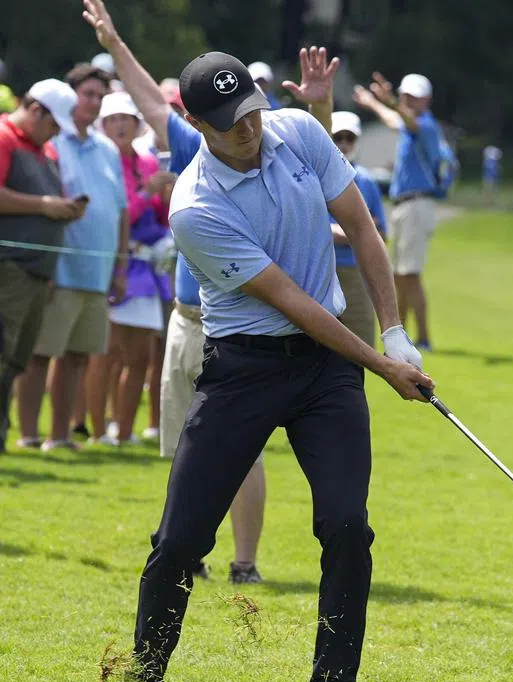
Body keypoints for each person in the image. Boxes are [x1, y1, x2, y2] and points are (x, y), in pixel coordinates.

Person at [97, 50, 432, 682]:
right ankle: (144, 677)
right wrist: (380, 365)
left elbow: (363, 227)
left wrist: (395, 332)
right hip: (243, 369)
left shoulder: (299, 131)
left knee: (345, 524)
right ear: (199, 124)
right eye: (229, 124)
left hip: (324, 373)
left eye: (250, 111)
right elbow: (290, 301)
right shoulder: (195, 206)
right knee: (183, 536)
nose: (247, 130)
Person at [83, 0, 338, 583]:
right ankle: (190, 553)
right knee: (187, 451)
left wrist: (320, 105)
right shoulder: (192, 145)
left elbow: (318, 170)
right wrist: (115, 43)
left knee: (239, 452)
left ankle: (242, 560)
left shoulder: (279, 144)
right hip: (187, 318)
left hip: (242, 329)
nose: (242, 125)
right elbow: (150, 97)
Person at [16, 63, 128, 452]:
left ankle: (60, 435)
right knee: (41, 354)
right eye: (88, 94)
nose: (95, 103)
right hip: (59, 269)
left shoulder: (108, 149)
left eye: (100, 96)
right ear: (70, 95)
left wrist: (121, 265)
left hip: (96, 272)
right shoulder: (52, 142)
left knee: (79, 357)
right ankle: (30, 435)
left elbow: (121, 210)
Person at [0, 80, 84, 454]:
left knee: (15, 359)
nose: (55, 132)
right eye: (53, 123)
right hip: (10, 268)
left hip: (36, 272)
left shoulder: (44, 148)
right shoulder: (4, 137)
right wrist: (43, 205)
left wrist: (61, 209)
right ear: (36, 110)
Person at [87, 91, 175, 446]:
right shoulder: (103, 161)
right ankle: (98, 431)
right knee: (108, 354)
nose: (121, 125)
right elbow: (121, 215)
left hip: (147, 267)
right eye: (114, 118)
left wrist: (164, 198)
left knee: (141, 355)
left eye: (128, 118)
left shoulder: (148, 162)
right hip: (115, 263)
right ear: (104, 124)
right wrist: (145, 194)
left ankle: (124, 432)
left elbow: (159, 217)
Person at [353, 71, 442, 351]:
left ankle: (424, 338)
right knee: (400, 274)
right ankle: (402, 333)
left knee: (410, 273)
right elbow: (395, 119)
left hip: (418, 204)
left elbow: (405, 119)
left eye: (413, 97)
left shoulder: (426, 125)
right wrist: (372, 103)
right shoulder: (408, 125)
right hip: (405, 205)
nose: (408, 101)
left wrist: (390, 101)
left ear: (426, 100)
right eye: (405, 96)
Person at [330, 110, 387, 346]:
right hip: (324, 270)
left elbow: (381, 233)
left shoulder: (366, 181)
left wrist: (344, 232)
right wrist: (355, 230)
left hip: (357, 271)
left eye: (349, 138)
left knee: (362, 342)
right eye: (338, 137)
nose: (343, 144)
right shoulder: (313, 177)